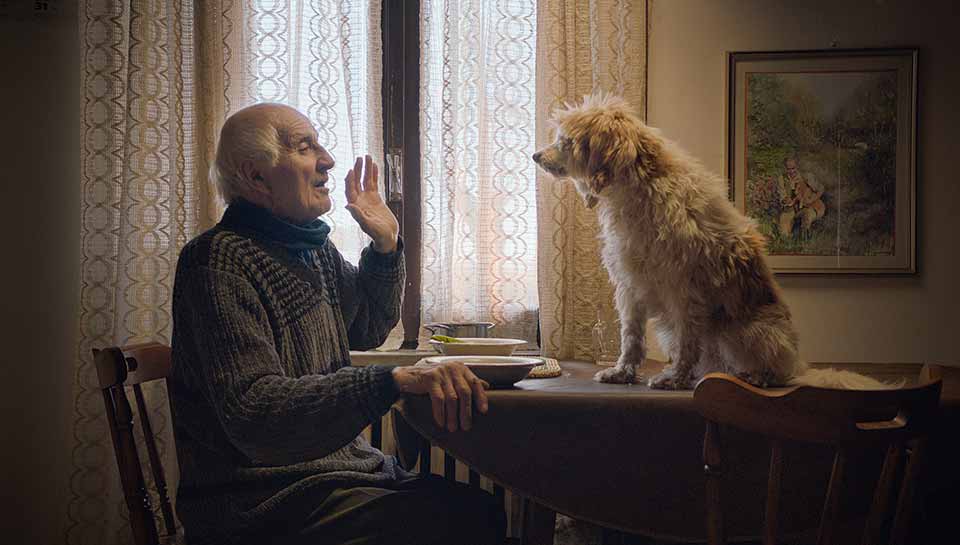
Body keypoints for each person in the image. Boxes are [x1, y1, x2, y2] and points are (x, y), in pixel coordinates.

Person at [168, 103, 505, 545]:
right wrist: (393, 381)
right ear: (256, 178)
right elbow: (254, 411)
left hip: (334, 480)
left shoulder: (312, 252)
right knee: (458, 520)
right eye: (306, 148)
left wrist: (385, 245)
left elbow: (366, 326)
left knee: (479, 511)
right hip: (261, 503)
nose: (327, 160)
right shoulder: (216, 262)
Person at [777, 156, 826, 237]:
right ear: (785, 168)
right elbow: (783, 196)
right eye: (788, 169)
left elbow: (821, 189)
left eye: (793, 168)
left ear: (797, 166)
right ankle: (788, 242)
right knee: (783, 232)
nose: (791, 171)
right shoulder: (782, 179)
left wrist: (811, 200)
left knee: (807, 215)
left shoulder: (806, 176)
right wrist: (786, 200)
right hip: (792, 208)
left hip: (812, 206)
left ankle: (804, 240)